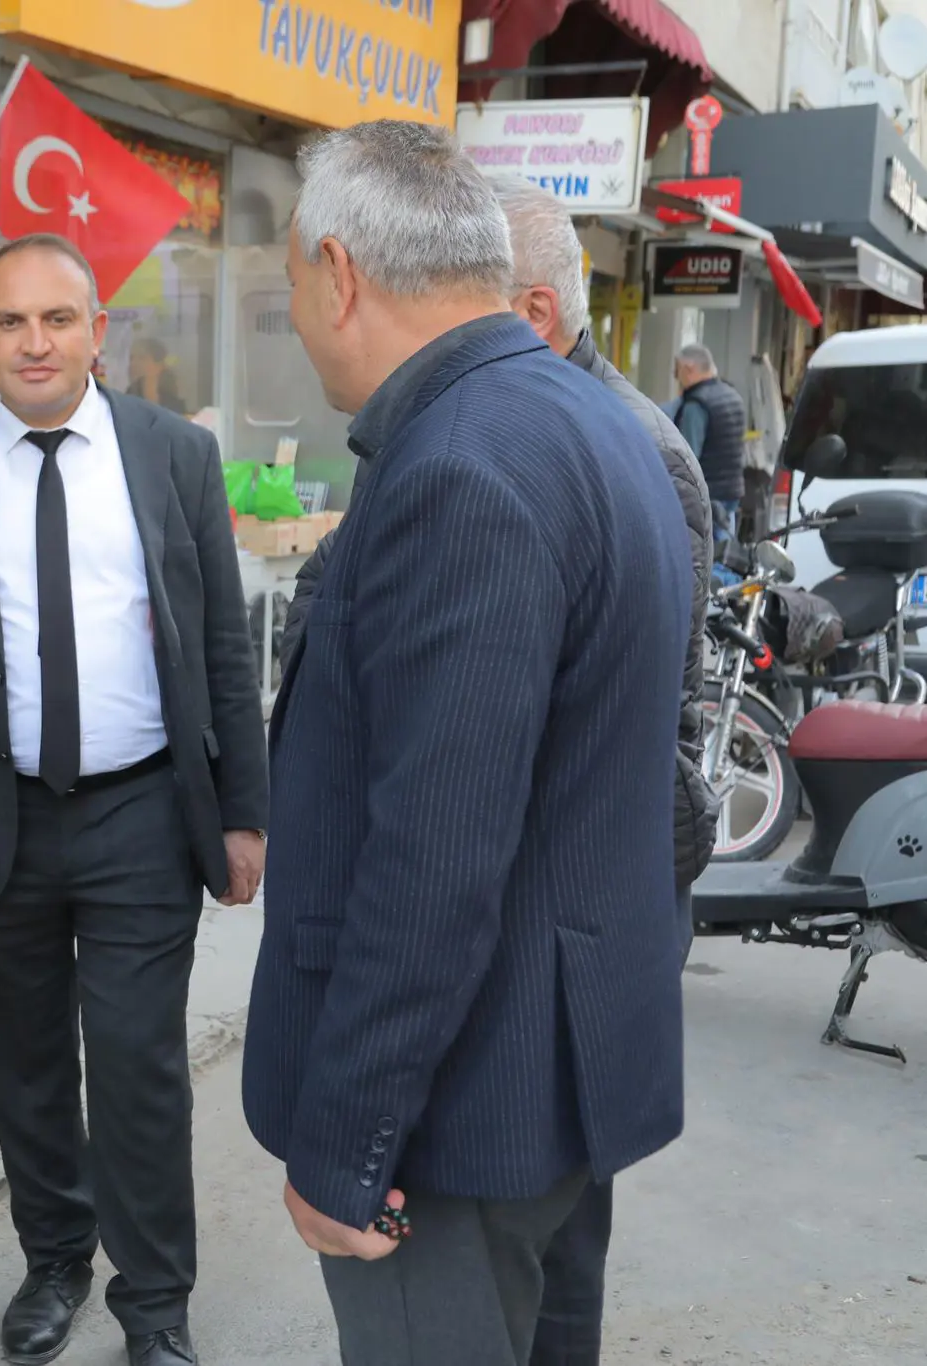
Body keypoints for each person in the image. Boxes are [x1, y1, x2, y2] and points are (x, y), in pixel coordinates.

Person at [241, 122, 689, 1366]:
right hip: (553, 1080)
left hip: (461, 1113)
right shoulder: (589, 423)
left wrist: (349, 1144)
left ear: (338, 273)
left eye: (287, 285)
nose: (293, 316)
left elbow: (433, 858)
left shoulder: (462, 462)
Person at [0, 233, 269, 1366]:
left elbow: (221, 649)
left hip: (140, 813)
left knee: (138, 1063)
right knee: (25, 1062)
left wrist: (243, 808)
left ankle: (155, 1306)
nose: (33, 341)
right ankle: (54, 1259)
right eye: (8, 321)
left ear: (98, 332)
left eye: (56, 319)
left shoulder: (171, 456)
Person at [491, 174, 716, 1366]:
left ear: (528, 310)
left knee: (561, 1220)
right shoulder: (532, 414)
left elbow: (645, 718)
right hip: (561, 883)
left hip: (588, 889)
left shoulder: (630, 444)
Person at [673, 343, 748, 545]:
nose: (676, 378)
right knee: (728, 552)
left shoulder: (697, 404)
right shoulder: (732, 396)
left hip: (709, 495)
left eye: (677, 370)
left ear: (688, 369)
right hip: (732, 491)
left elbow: (687, 456)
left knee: (711, 558)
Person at [127, 337, 188, 413]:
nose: (133, 363)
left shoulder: (173, 403)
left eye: (142, 358)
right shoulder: (128, 397)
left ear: (159, 365)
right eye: (131, 358)